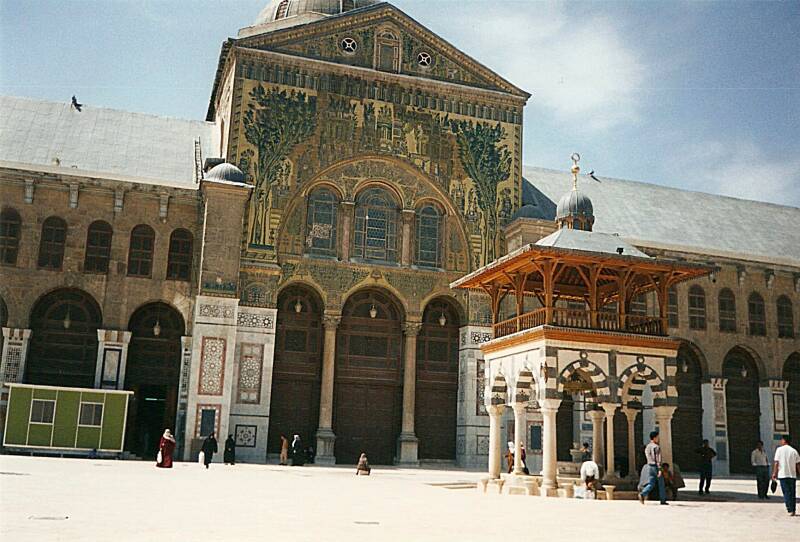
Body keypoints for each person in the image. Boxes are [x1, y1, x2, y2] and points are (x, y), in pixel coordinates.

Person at [772, 434, 800, 516]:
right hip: (792, 475)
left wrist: (774, 473)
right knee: (792, 493)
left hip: (783, 475)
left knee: (786, 492)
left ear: (784, 440)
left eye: (782, 440)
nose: (781, 441)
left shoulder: (779, 450)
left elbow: (776, 463)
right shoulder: (794, 451)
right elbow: (798, 464)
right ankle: (793, 509)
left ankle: (790, 509)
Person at [639, 431, 667, 505]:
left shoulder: (647, 447)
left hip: (649, 466)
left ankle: (643, 493)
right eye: (657, 437)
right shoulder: (656, 447)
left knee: (651, 483)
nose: (658, 439)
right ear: (654, 438)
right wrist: (660, 469)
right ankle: (663, 499)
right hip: (655, 466)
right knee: (661, 483)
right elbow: (658, 459)